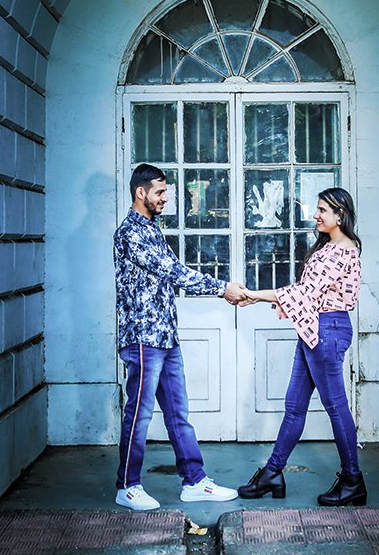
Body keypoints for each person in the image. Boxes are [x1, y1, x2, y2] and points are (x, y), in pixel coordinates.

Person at [114, 163, 246, 511]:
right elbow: (173, 271)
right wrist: (222, 288)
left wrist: (222, 288)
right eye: (159, 192)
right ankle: (127, 486)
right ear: (140, 192)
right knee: (139, 414)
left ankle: (194, 481)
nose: (165, 198)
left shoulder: (152, 230)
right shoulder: (130, 233)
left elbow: (173, 271)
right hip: (143, 338)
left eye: (165, 192)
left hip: (165, 336)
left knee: (178, 413)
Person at [235, 187, 366, 507]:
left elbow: (304, 293)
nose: (316, 215)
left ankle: (353, 481)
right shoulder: (329, 246)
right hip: (314, 330)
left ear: (340, 215)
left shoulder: (343, 250)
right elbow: (306, 292)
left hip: (327, 330)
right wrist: (259, 298)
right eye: (317, 209)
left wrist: (254, 295)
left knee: (336, 407)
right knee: (294, 405)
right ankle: (272, 473)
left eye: (323, 210)